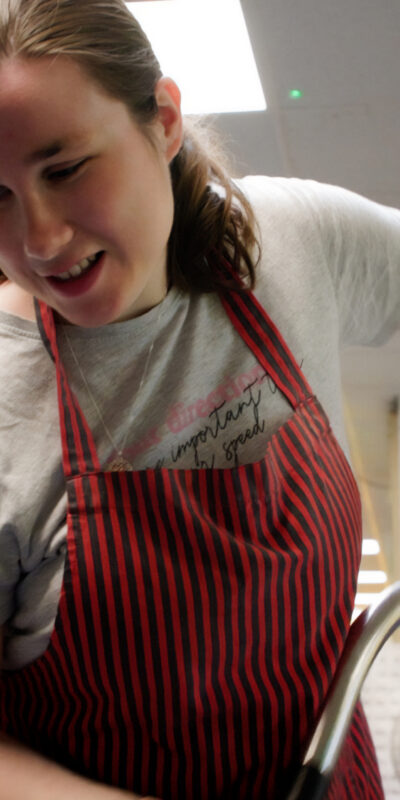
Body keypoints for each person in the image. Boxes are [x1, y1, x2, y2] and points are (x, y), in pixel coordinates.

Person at [0, 0, 398, 797]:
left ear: (166, 120)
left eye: (66, 167)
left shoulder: (292, 242)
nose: (39, 240)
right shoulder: (10, 403)